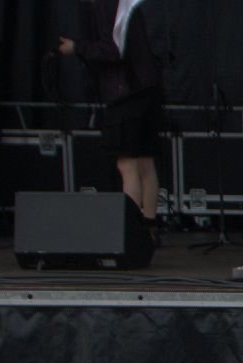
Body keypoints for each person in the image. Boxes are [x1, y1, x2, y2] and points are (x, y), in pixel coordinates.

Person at [59, 0, 164, 240]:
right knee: (145, 164)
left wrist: (77, 47)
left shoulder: (108, 5)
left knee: (127, 165)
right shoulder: (124, 4)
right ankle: (149, 227)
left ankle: (131, 232)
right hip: (146, 88)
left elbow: (114, 50)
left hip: (126, 93)